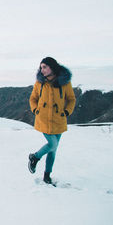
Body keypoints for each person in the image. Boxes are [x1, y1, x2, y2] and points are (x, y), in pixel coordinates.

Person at [28, 57, 76, 185]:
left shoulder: (64, 82)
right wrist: (35, 110)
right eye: (41, 67)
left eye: (45, 67)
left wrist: (66, 111)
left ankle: (47, 175)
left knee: (53, 150)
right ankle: (35, 157)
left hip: (58, 119)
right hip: (43, 119)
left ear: (52, 67)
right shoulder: (40, 83)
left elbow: (71, 99)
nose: (42, 70)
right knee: (52, 145)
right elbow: (33, 98)